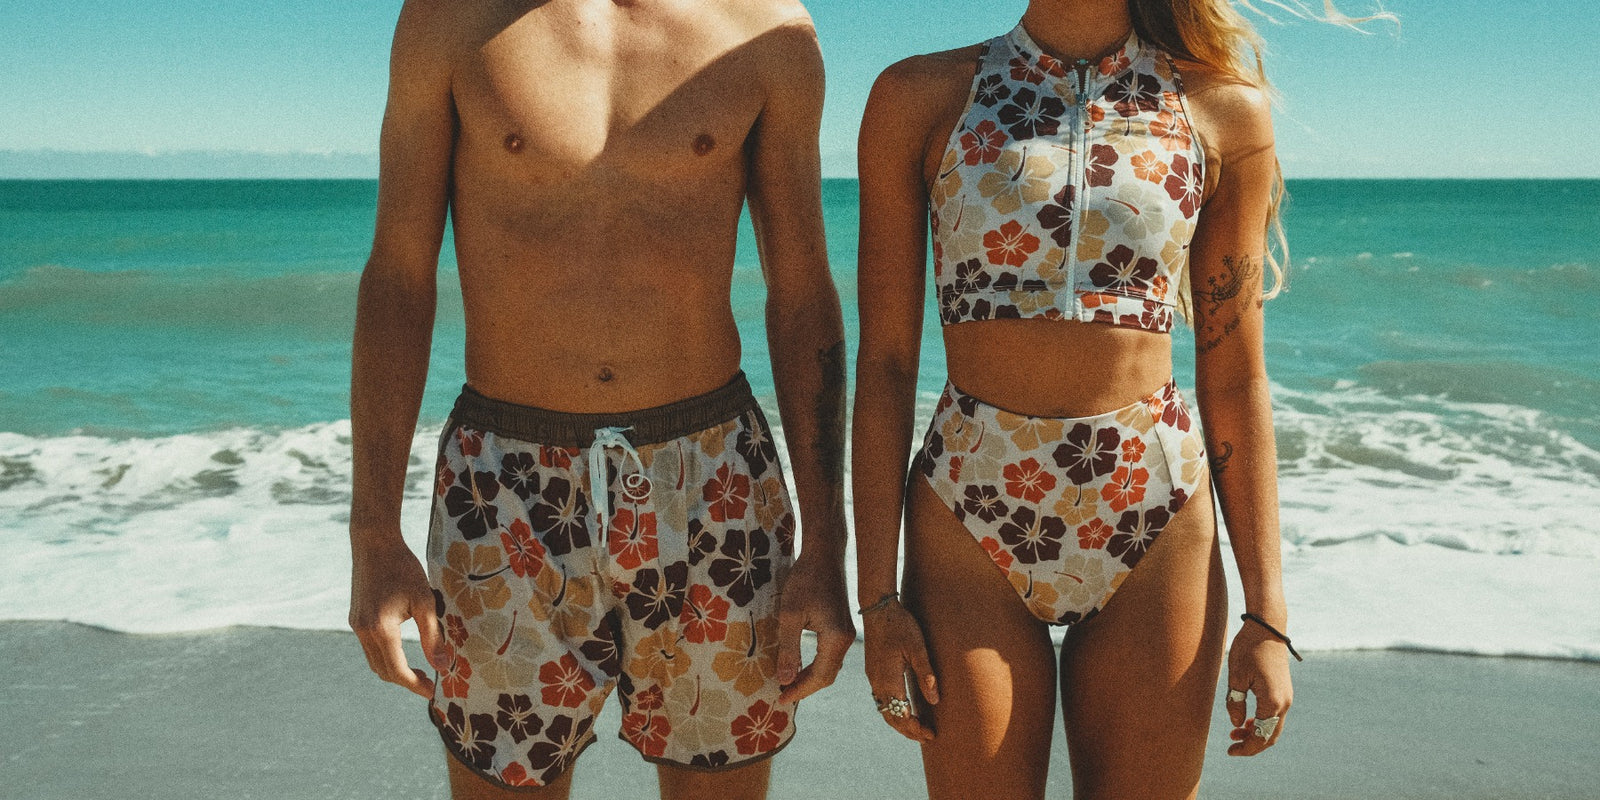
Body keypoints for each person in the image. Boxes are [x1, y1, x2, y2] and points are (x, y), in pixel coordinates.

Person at [345, 1, 854, 797]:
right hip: (505, 483)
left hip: (712, 480)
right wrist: (373, 530)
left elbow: (802, 295)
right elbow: (398, 277)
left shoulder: (765, 28)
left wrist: (828, 538)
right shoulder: (449, 19)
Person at [852, 0, 1331, 796]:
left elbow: (1236, 375)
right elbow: (886, 363)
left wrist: (1268, 616)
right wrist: (877, 599)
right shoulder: (920, 95)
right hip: (971, 506)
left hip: (1152, 507)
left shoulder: (1219, 106)